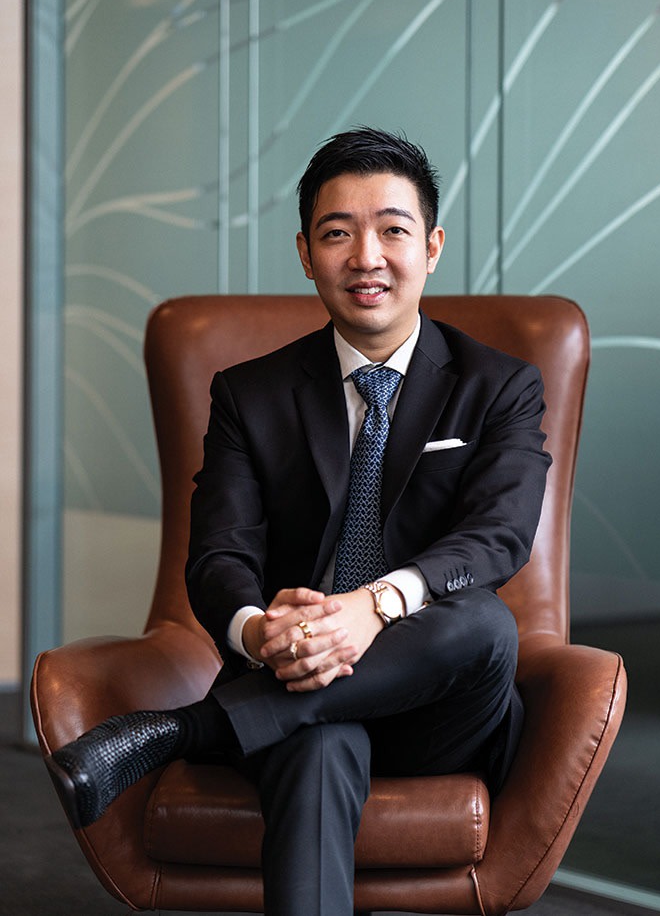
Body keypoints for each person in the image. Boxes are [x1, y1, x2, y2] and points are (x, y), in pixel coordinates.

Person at [46, 127, 551, 916]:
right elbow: (217, 556)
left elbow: (499, 536)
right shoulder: (249, 395)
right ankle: (250, 714)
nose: (367, 256)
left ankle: (185, 730)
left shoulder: (500, 387)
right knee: (315, 743)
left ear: (434, 246)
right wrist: (258, 633)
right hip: (290, 683)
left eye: (393, 229)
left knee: (485, 624)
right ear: (306, 253)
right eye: (337, 233)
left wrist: (370, 608)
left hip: (442, 710)